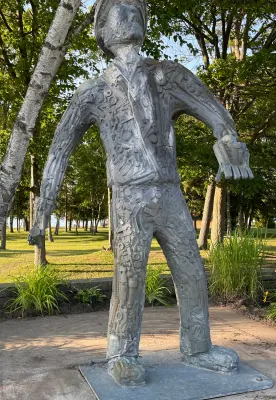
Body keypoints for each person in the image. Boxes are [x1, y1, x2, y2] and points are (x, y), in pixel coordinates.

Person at [28, 0, 253, 386]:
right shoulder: (92, 93)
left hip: (169, 193)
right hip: (129, 198)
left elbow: (212, 109)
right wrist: (43, 208)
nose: (130, 13)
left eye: (137, 9)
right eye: (118, 10)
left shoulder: (167, 75)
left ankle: (198, 347)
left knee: (192, 271)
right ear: (101, 32)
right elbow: (59, 151)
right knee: (130, 275)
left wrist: (227, 136)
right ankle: (121, 352)